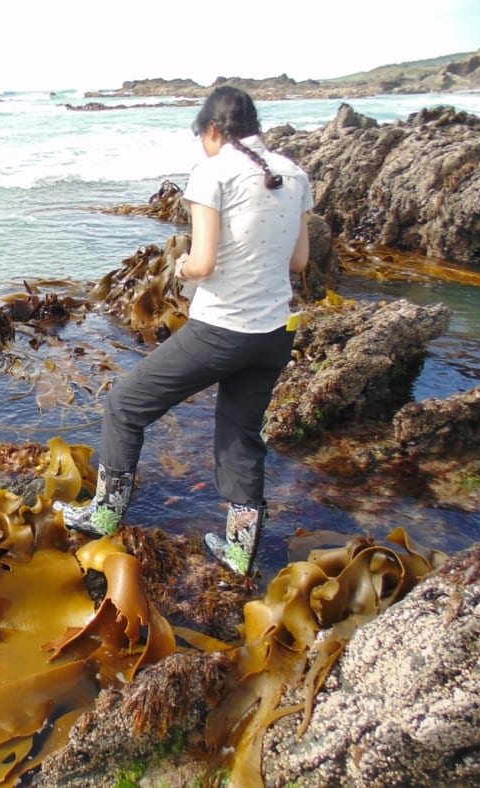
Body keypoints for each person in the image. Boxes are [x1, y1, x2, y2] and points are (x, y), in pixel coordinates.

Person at [57, 85, 314, 578]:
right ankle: (240, 553)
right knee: (240, 435)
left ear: (213, 130)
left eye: (203, 136)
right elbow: (300, 260)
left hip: (222, 329)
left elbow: (204, 261)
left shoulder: (213, 171)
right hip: (275, 333)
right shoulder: (295, 173)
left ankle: (104, 514)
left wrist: (181, 271)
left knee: (125, 406)